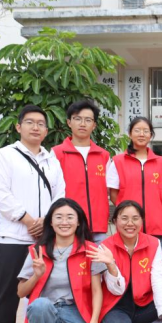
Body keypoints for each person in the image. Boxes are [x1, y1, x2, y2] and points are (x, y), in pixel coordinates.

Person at [0, 104, 65, 323]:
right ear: (18, 126)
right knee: (7, 293)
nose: (36, 127)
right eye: (30, 122)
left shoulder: (52, 161)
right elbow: (0, 194)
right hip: (13, 238)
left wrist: (47, 221)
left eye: (41, 124)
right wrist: (28, 219)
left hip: (44, 239)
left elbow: (60, 195)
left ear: (46, 131)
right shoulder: (5, 155)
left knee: (48, 291)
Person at [17, 199, 108, 323]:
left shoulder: (90, 250)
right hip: (48, 312)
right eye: (58, 217)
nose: (64, 222)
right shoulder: (38, 250)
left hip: (77, 312)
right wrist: (36, 275)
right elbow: (21, 292)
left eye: (70, 217)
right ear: (50, 222)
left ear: (78, 221)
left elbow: (97, 290)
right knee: (39, 305)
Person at [108, 116, 162, 251]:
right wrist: (128, 213)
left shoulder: (160, 162)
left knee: (156, 263)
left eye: (146, 131)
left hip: (156, 225)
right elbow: (114, 195)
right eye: (137, 130)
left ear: (151, 135)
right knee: (128, 262)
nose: (141, 134)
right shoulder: (118, 161)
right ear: (130, 134)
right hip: (129, 227)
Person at [52, 100, 111, 242]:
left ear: (94, 125)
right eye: (77, 119)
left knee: (99, 258)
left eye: (88, 120)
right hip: (67, 227)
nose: (82, 124)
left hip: (98, 228)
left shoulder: (103, 155)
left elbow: (109, 190)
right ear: (69, 122)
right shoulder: (57, 153)